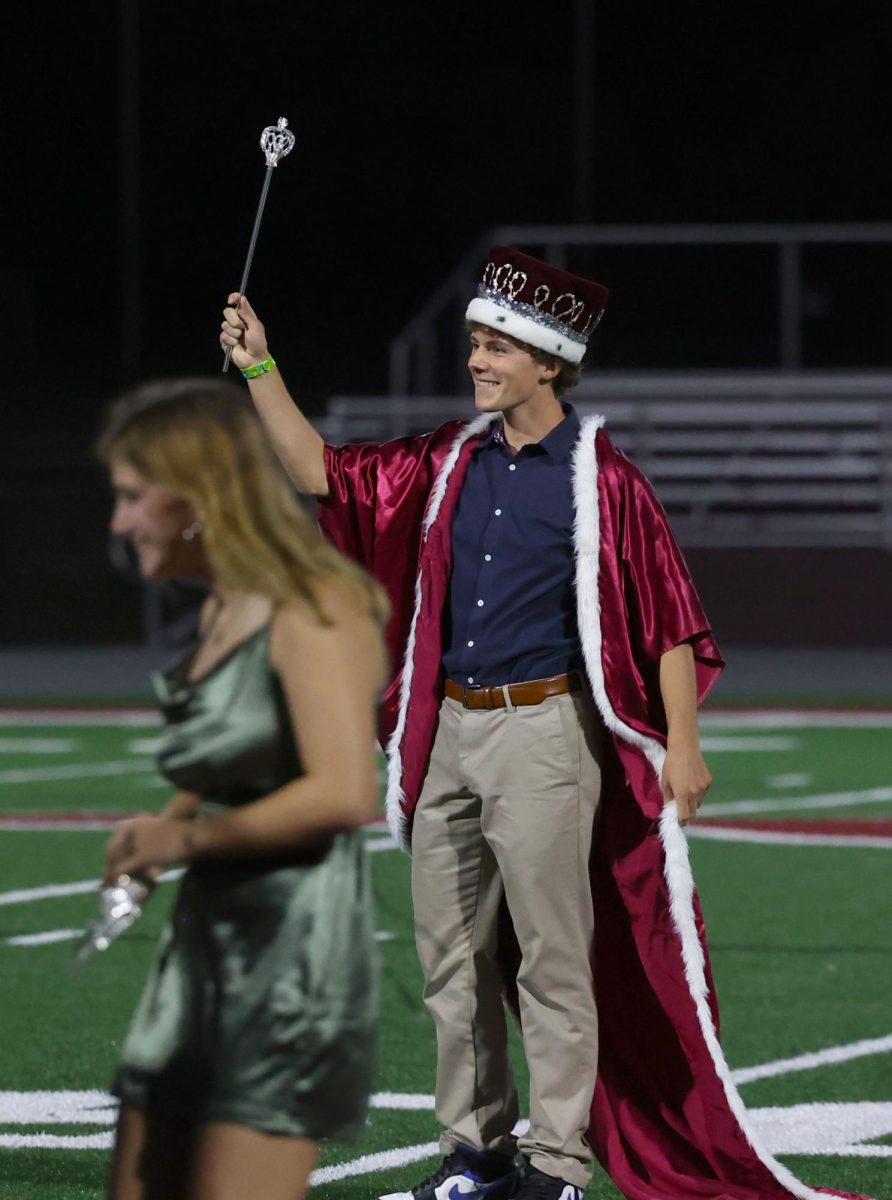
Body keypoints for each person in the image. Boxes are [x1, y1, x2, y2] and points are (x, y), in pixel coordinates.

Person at [220, 250, 865, 1200]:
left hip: (546, 735)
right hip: (447, 739)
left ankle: (558, 1165)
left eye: (495, 347)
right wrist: (261, 368)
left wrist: (683, 745)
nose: (476, 360)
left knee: (555, 962)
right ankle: (472, 1154)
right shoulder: (444, 461)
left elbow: (670, 622)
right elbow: (321, 471)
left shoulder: (603, 481)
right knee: (452, 960)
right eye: (475, 342)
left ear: (549, 362)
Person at [97, 377, 389, 1200]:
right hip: (205, 941)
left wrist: (182, 840)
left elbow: (341, 791)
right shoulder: (225, 602)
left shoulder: (315, 604)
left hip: (291, 955)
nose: (118, 524)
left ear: (197, 495)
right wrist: (165, 823)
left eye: (130, 497)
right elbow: (243, 753)